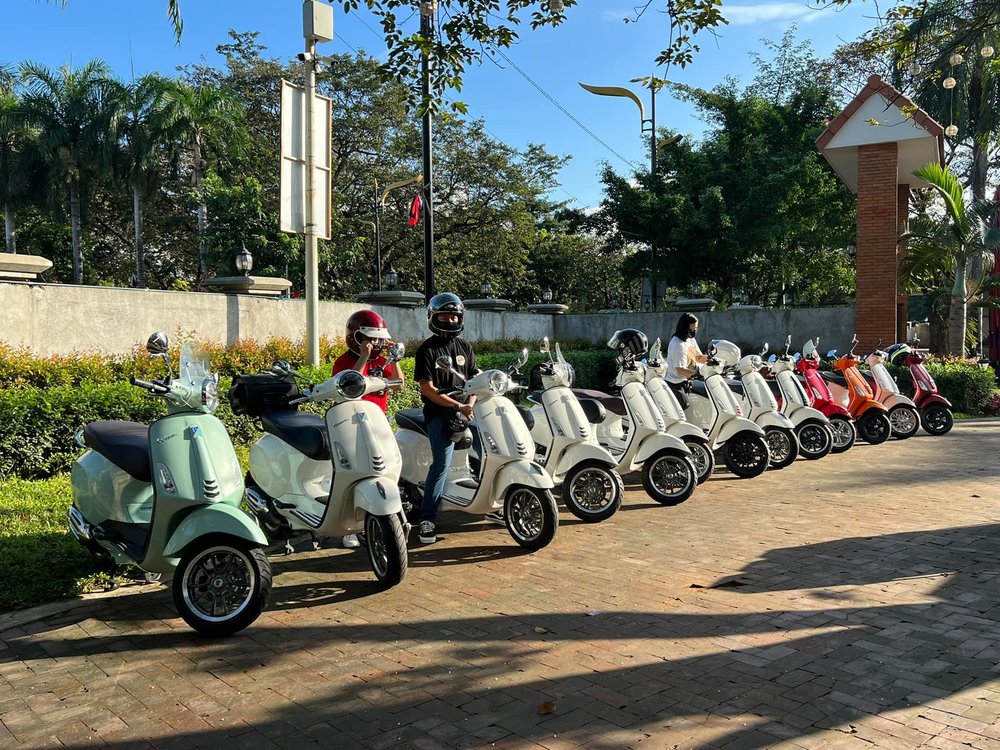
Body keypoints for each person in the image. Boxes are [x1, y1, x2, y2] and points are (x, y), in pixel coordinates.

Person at [412, 292, 492, 544]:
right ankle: (427, 520)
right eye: (444, 316)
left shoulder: (465, 348)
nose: (450, 320)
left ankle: (494, 502)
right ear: (433, 318)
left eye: (454, 316)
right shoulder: (427, 349)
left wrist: (469, 405)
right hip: (440, 412)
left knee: (491, 450)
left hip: (466, 409)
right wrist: (458, 405)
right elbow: (427, 389)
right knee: (441, 465)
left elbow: (475, 382)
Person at [330, 309, 404, 548]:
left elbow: (399, 385)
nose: (376, 343)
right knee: (354, 472)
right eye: (370, 338)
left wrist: (396, 359)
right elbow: (349, 384)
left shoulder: (383, 361)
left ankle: (384, 516)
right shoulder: (344, 361)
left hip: (377, 421)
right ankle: (349, 527)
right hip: (351, 424)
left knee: (384, 469)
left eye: (379, 339)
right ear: (356, 337)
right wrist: (363, 357)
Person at [665, 312, 708, 410]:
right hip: (675, 384)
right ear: (684, 328)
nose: (694, 332)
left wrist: (712, 360)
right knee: (684, 406)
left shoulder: (690, 339)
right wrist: (697, 374)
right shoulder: (677, 344)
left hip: (687, 381)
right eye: (691, 329)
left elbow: (698, 357)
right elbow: (680, 370)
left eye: (696, 329)